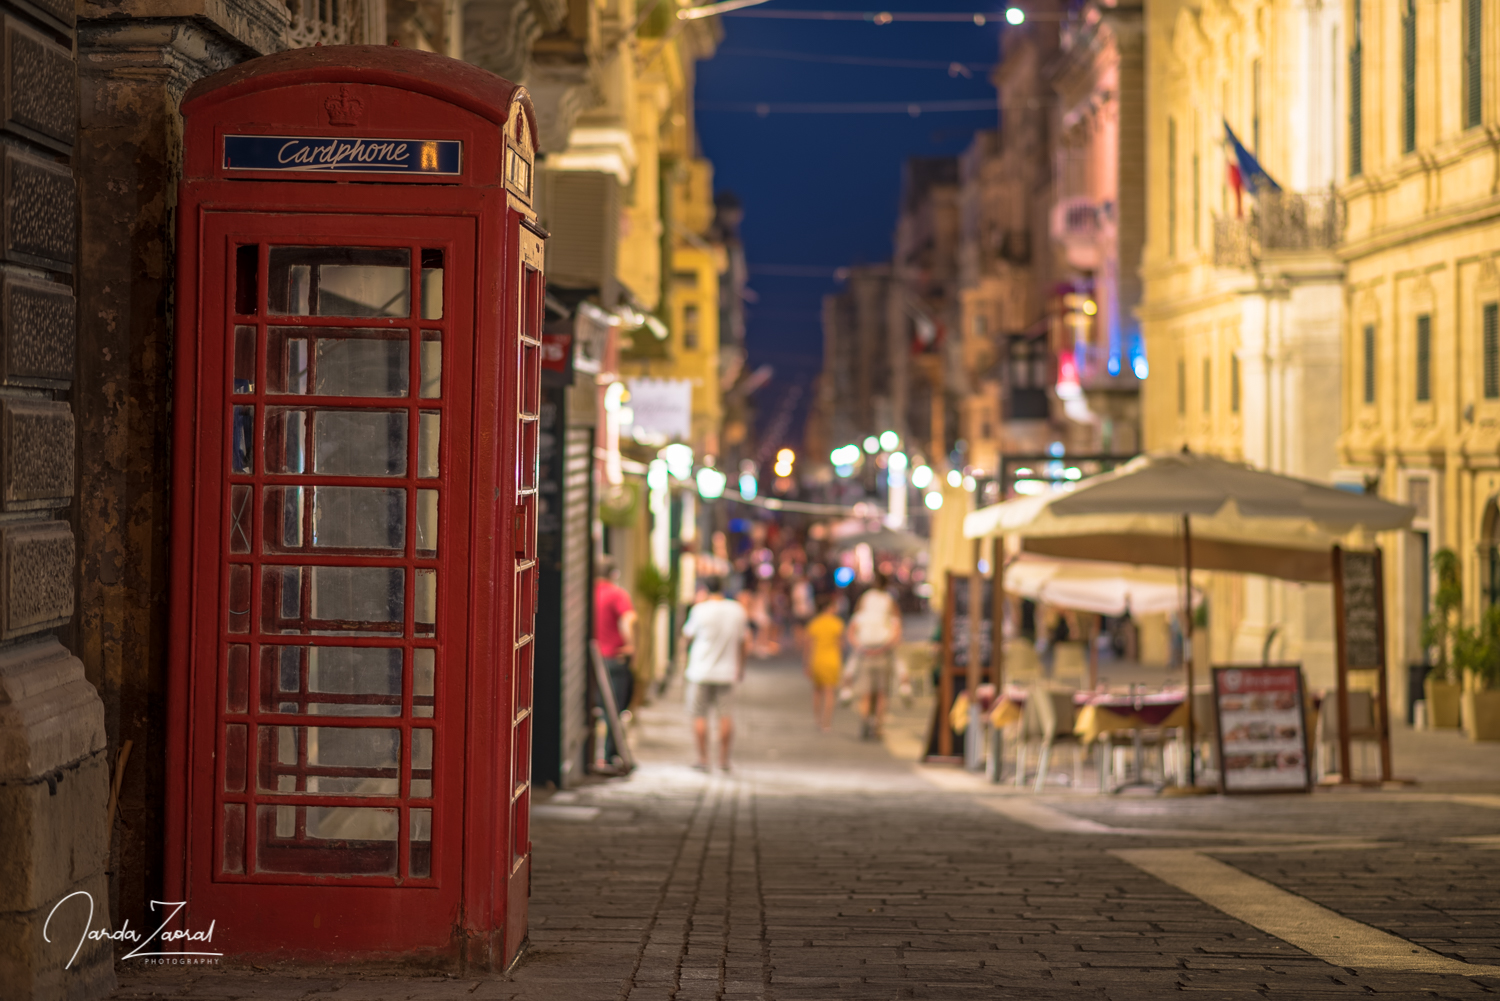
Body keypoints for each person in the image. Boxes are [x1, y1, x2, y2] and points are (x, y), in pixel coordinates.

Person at [682, 576, 749, 771]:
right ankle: (723, 760)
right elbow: (744, 641)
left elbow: (687, 636)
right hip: (727, 671)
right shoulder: (737, 610)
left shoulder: (699, 610)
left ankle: (703, 758)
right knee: (726, 715)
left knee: (699, 714)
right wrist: (741, 667)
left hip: (700, 671)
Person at [847, 572, 901, 740]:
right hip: (883, 652)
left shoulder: (864, 600)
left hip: (865, 652)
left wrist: (860, 647)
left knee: (866, 692)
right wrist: (886, 646)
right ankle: (877, 726)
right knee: (882, 692)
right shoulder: (889, 601)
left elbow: (853, 627)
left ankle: (864, 721)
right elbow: (897, 628)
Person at [593, 556, 636, 763]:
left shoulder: (588, 592)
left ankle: (593, 754)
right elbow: (628, 619)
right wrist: (630, 645)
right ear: (613, 574)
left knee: (595, 707)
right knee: (614, 709)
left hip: (592, 661)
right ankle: (609, 754)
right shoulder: (617, 594)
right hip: (613, 659)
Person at [802, 593, 845, 732]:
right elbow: (840, 645)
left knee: (817, 691)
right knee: (830, 692)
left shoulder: (814, 623)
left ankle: (817, 720)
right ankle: (826, 723)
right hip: (832, 660)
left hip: (817, 660)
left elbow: (808, 646)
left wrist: (806, 664)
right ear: (828, 607)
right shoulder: (837, 623)